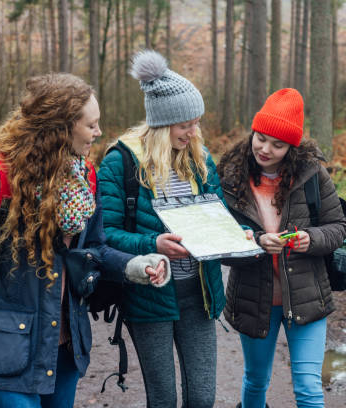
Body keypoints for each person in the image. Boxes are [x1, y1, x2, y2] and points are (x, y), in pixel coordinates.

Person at [0, 73, 168, 407]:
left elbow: (93, 249)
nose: (98, 133)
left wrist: (136, 266)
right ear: (60, 127)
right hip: (9, 352)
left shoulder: (85, 177)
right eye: (91, 125)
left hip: (66, 348)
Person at [97, 50, 225, 408]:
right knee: (163, 399)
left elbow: (220, 215)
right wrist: (152, 243)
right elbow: (104, 234)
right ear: (163, 122)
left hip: (199, 296)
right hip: (148, 298)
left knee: (202, 398)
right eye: (186, 124)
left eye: (196, 122)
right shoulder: (120, 163)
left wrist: (236, 235)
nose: (193, 131)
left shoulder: (201, 160)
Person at [217, 88, 346, 408]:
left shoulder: (312, 174)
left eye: (278, 144)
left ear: (292, 146)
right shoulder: (231, 177)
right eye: (260, 138)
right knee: (256, 380)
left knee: (308, 388)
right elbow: (219, 240)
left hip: (306, 296)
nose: (265, 148)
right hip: (253, 297)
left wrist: (310, 239)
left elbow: (338, 228)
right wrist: (255, 241)